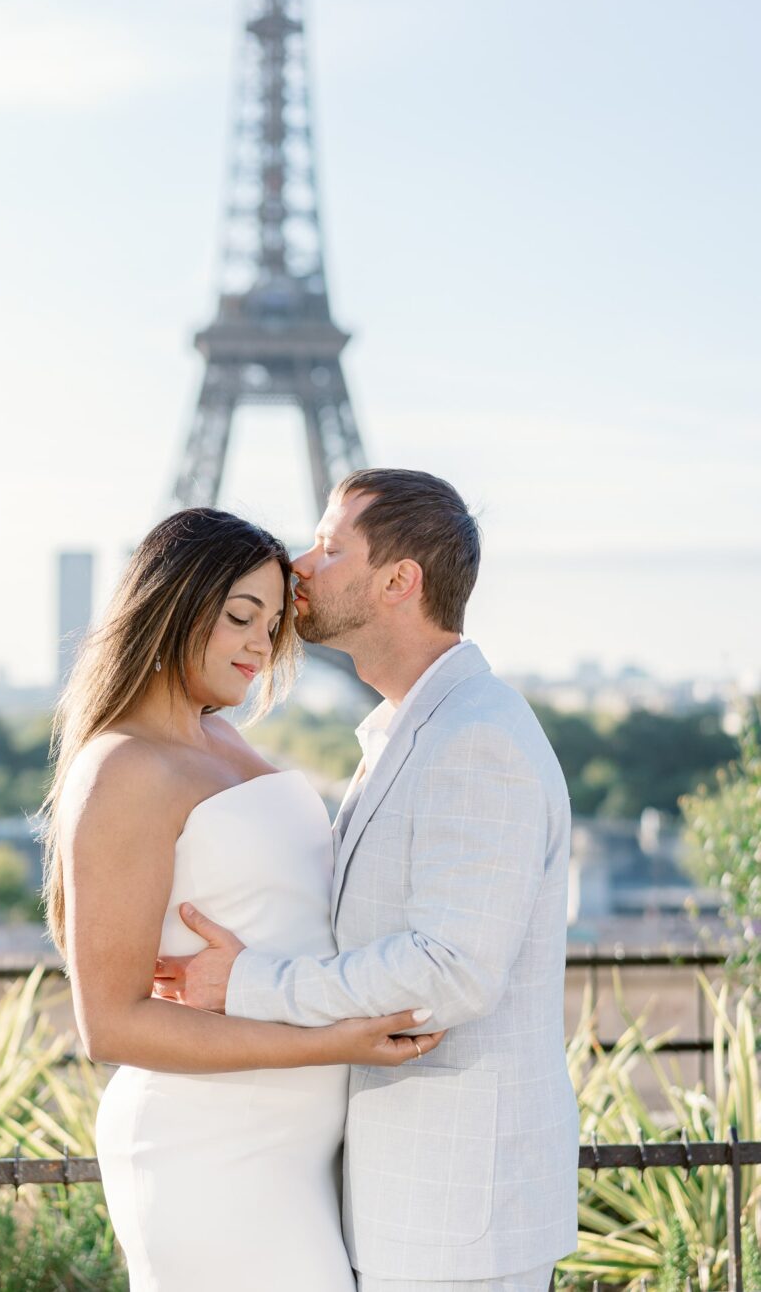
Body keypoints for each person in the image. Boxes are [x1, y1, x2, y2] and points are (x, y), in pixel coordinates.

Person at [155, 469, 580, 1292]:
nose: (299, 565)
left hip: (454, 1216)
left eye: (328, 545)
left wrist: (250, 982)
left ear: (398, 581)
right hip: (414, 1201)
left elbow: (447, 970)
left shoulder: (473, 739)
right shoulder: (411, 728)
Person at [40, 506, 441, 1292]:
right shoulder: (125, 768)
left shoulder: (221, 740)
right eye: (239, 617)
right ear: (175, 603)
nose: (262, 645)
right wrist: (333, 1041)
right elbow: (111, 1023)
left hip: (295, 1151)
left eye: (272, 623)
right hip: (207, 1154)